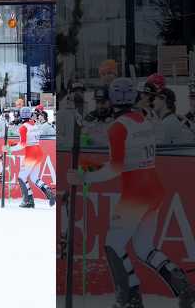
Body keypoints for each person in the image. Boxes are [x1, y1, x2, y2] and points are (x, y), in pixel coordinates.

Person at [67, 77, 195, 308]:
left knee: (113, 244)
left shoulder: (118, 127)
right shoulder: (142, 119)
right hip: (152, 188)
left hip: (136, 192)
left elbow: (115, 167)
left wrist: (83, 177)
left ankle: (128, 298)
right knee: (144, 248)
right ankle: (183, 287)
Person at [2, 106, 56, 208]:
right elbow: (27, 140)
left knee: (21, 177)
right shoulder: (34, 124)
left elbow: (22, 145)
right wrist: (13, 144)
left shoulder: (23, 127)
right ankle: (47, 190)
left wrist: (9, 149)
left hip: (31, 152)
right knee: (34, 177)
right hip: (38, 150)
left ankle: (28, 200)